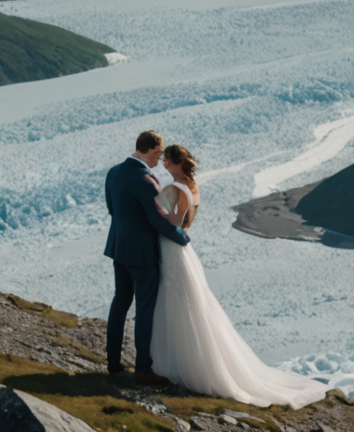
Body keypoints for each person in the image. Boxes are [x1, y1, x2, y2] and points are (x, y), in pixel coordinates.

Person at [146, 143, 327, 408]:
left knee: (175, 304)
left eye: (166, 161)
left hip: (172, 248)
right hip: (184, 249)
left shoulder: (174, 188)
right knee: (190, 305)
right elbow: (185, 221)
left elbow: (168, 220)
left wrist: (153, 201)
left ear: (175, 162)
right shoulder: (192, 187)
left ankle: (176, 365)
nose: (162, 164)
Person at [104, 130, 190, 385]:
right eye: (157, 153)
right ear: (148, 149)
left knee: (120, 302)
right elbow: (158, 221)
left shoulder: (114, 172)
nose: (159, 158)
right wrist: (183, 239)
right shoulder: (145, 180)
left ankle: (112, 362)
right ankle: (143, 368)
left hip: (119, 248)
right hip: (141, 254)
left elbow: (112, 208)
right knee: (145, 309)